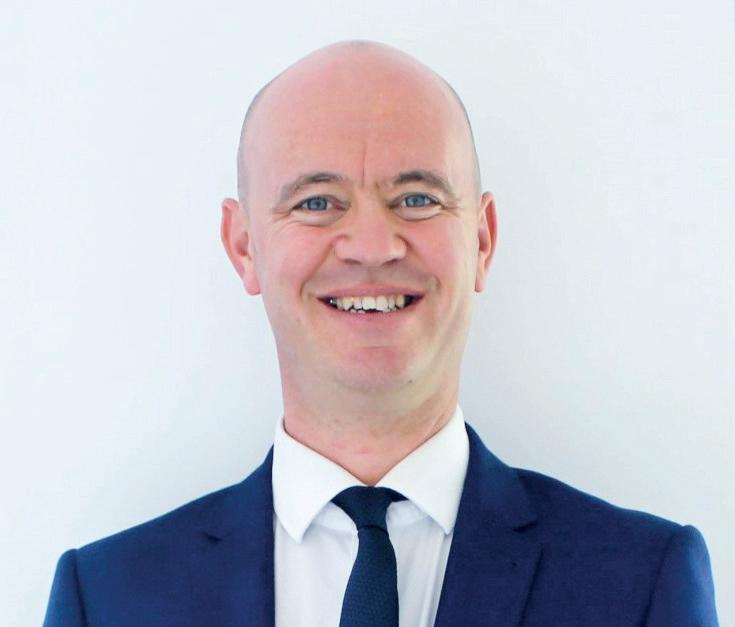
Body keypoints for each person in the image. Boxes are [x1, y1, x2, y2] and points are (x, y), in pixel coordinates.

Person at [43, 40, 719, 626]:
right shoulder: (106, 598)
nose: (372, 245)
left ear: (482, 240)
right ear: (243, 246)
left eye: (416, 199)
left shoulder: (641, 581)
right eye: (317, 202)